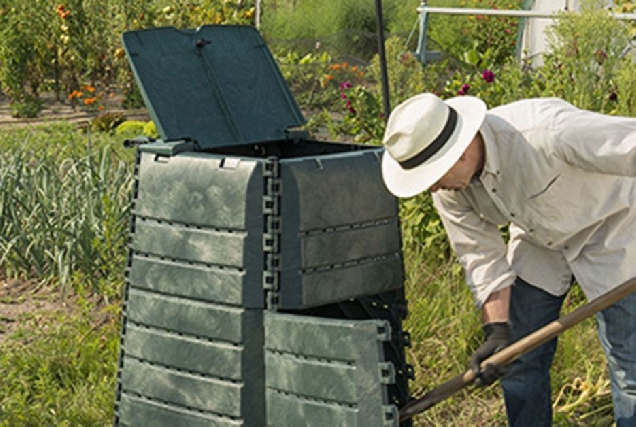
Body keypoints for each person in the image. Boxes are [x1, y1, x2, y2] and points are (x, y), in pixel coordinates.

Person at [380, 92, 636, 426]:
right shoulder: (449, 190)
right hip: (540, 241)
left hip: (612, 227)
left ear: (458, 153)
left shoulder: (547, 132)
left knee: (628, 365)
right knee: (518, 359)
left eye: (434, 178)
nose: (432, 190)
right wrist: (497, 331)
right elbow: (479, 256)